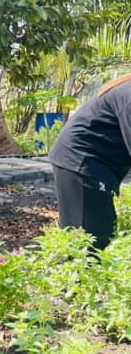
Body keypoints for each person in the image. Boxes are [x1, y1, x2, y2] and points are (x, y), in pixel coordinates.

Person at [48, 73, 131, 250]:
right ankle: (79, 278)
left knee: (98, 234)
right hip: (82, 160)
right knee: (90, 240)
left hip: (94, 164)